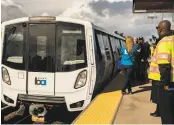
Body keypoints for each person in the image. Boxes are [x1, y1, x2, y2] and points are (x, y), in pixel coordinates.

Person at [148, 20, 174, 124]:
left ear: (161, 29)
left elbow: (164, 66)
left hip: (165, 82)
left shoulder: (164, 42)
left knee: (167, 113)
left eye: (158, 28)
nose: (158, 30)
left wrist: (165, 85)